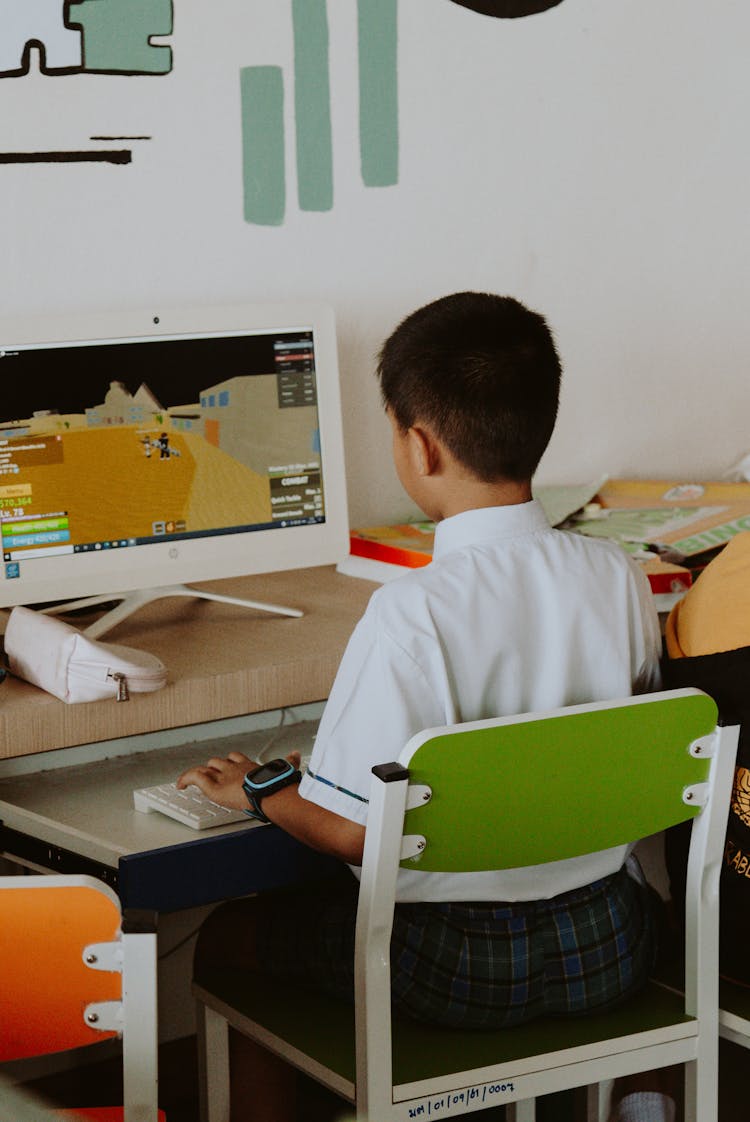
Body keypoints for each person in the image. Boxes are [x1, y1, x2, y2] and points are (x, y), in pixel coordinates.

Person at [178, 292, 663, 1122]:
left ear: (418, 446)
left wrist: (266, 790)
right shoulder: (615, 576)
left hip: (455, 966)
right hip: (611, 943)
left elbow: (359, 832)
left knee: (222, 937)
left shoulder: (413, 612)